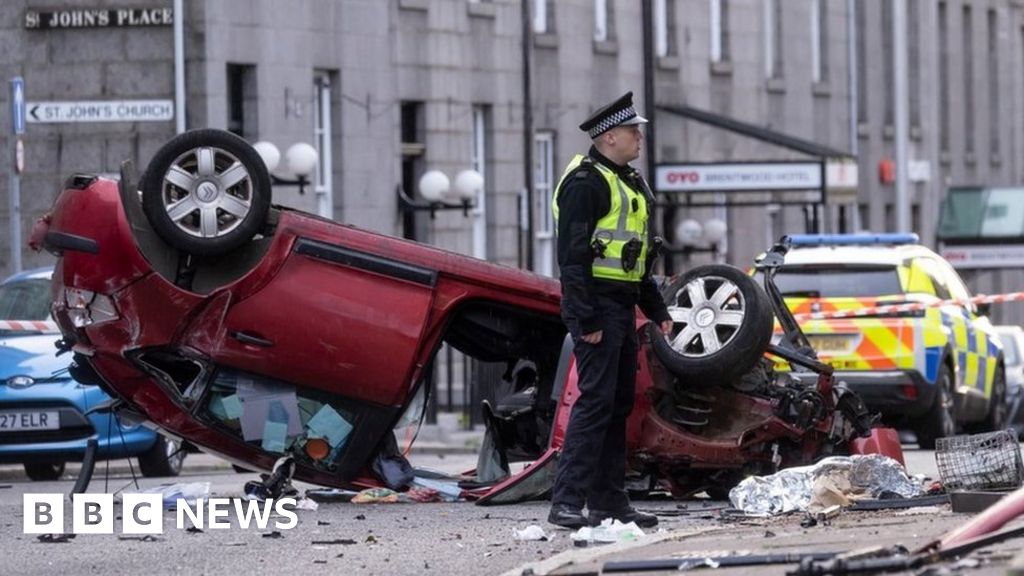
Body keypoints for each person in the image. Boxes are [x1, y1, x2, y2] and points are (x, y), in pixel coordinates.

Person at [548, 91, 672, 529]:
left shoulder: (628, 182)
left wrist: (657, 311)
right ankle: (566, 501)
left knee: (617, 403)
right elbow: (573, 258)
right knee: (595, 402)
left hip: (621, 304)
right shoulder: (586, 184)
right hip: (596, 307)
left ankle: (609, 504)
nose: (640, 138)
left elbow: (636, 258)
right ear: (609, 137)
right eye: (633, 131)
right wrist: (586, 320)